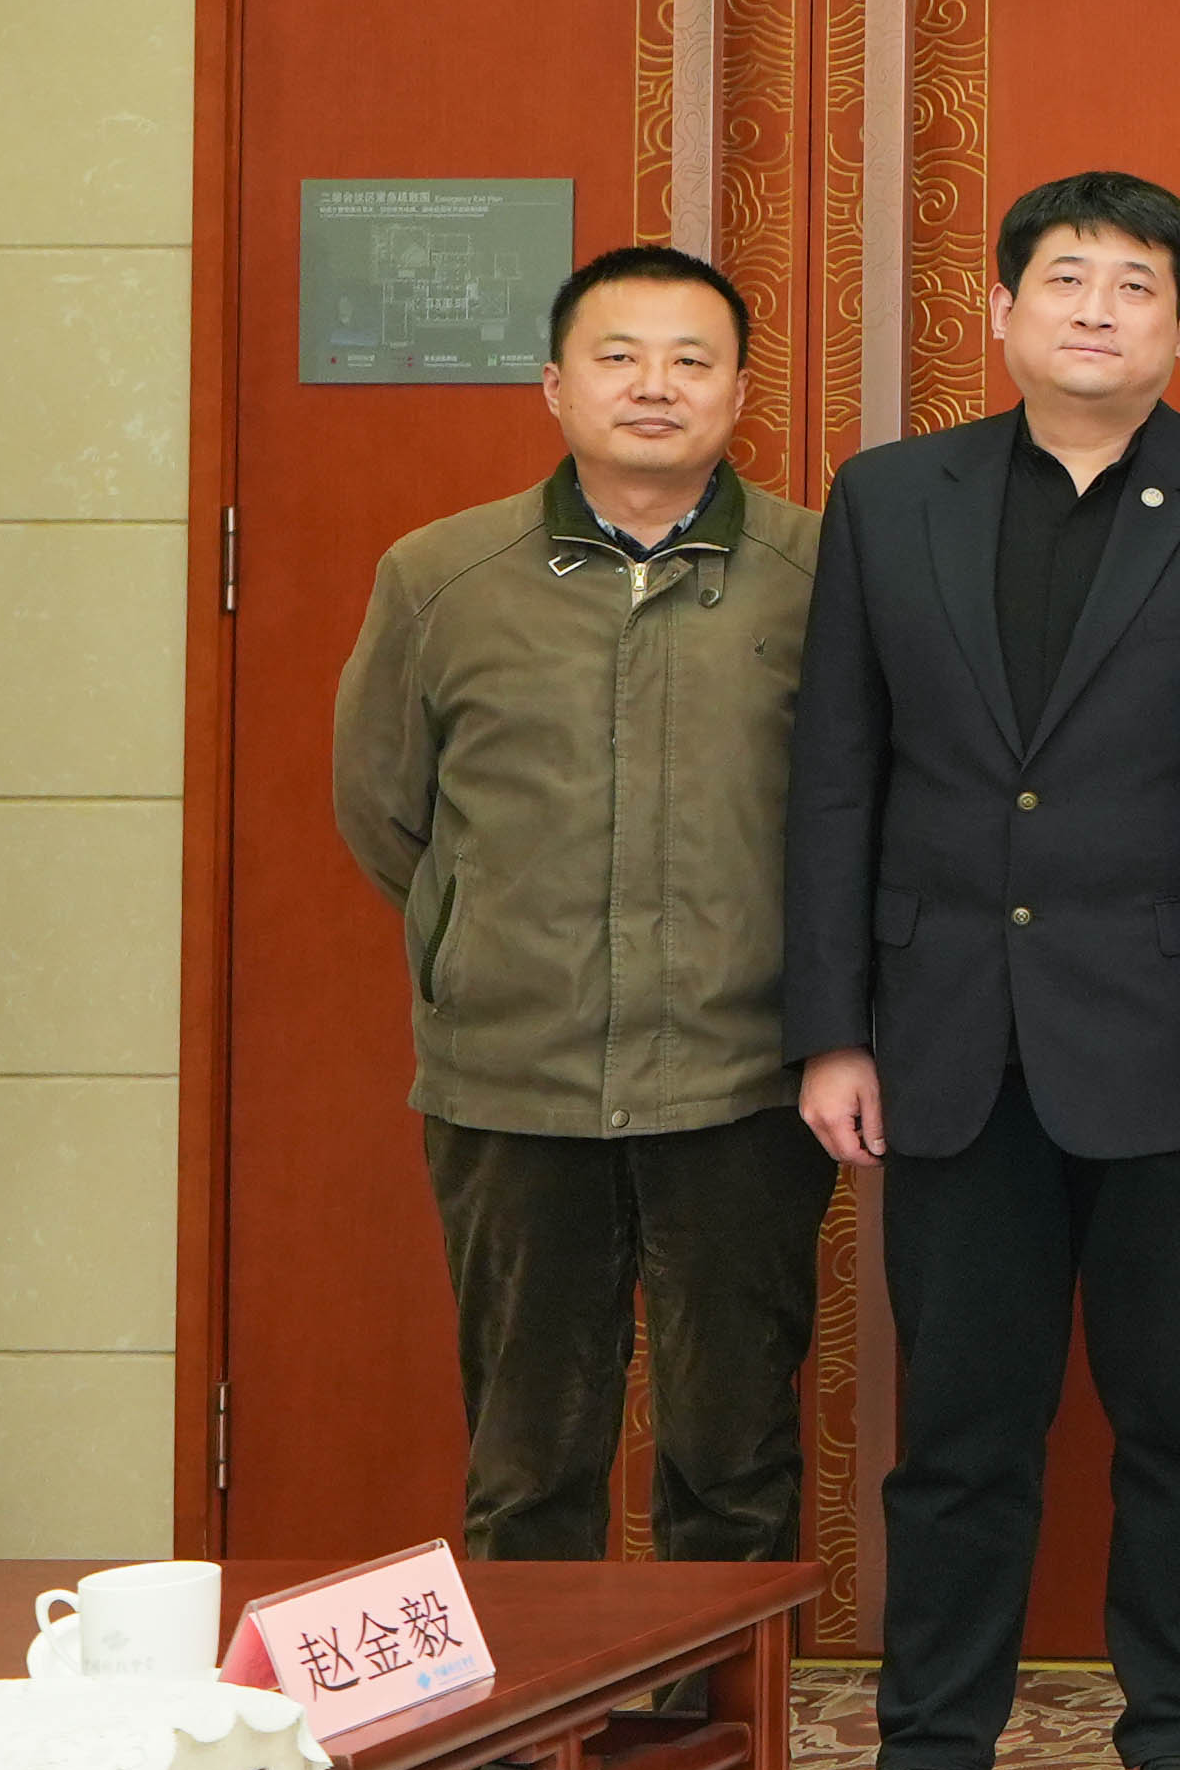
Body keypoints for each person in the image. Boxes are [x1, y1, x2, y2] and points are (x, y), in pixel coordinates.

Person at [783, 174, 1180, 1770]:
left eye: (1134, 284)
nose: (1095, 309)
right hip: (947, 1040)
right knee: (961, 1436)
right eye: (1063, 280)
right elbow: (836, 774)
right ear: (997, 314)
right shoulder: (892, 496)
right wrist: (829, 1029)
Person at [330, 244, 827, 1681]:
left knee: (730, 1447)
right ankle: (522, 1733)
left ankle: (704, 1738)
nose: (654, 386)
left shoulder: (814, 572)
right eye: (618, 356)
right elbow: (385, 811)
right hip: (510, 1080)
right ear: (555, 384)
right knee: (527, 1448)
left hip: (739, 1078)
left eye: (690, 358)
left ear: (740, 390)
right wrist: (478, 938)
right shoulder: (443, 576)